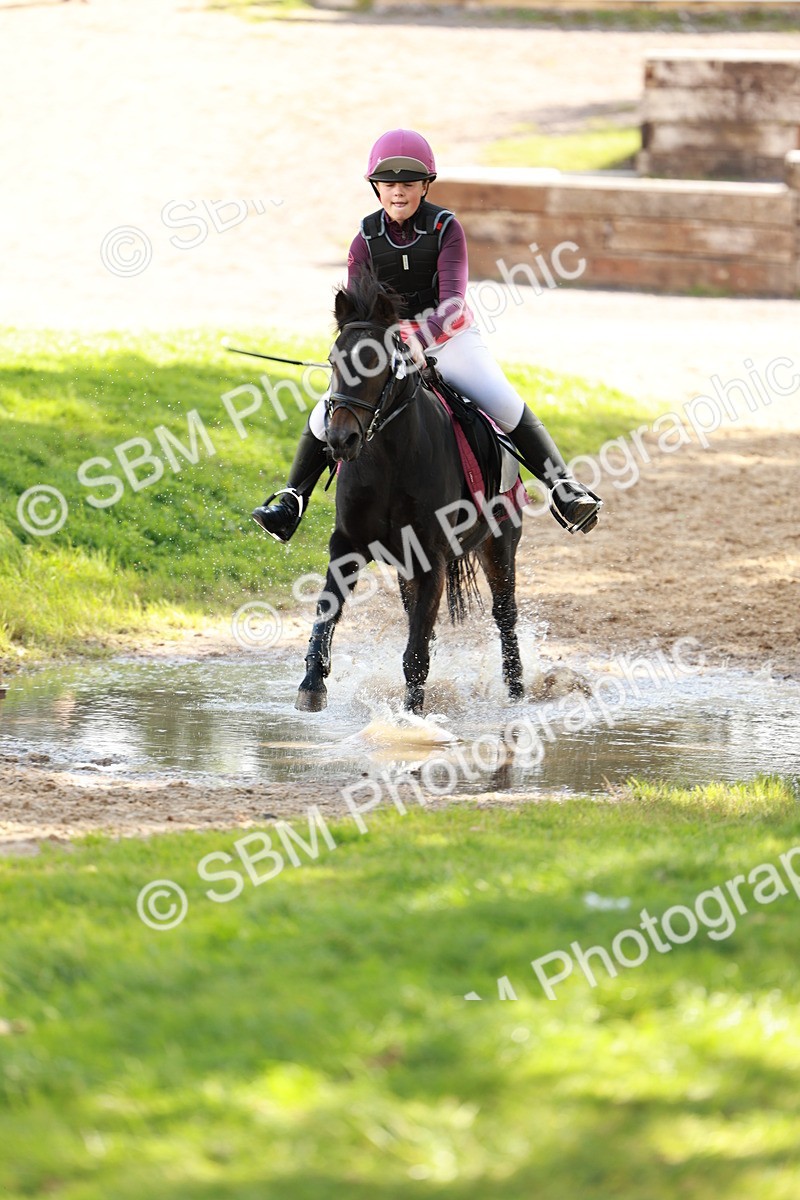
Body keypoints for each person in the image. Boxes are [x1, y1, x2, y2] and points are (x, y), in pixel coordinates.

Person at [252, 128, 601, 542]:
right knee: (327, 409)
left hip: (451, 340)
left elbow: (452, 301)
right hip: (388, 348)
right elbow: (359, 312)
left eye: (408, 184)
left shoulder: (445, 228)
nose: (398, 192)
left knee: (503, 401)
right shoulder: (364, 239)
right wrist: (378, 345)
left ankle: (564, 488)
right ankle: (291, 500)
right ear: (376, 188)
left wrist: (417, 336)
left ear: (425, 186)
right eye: (389, 184)